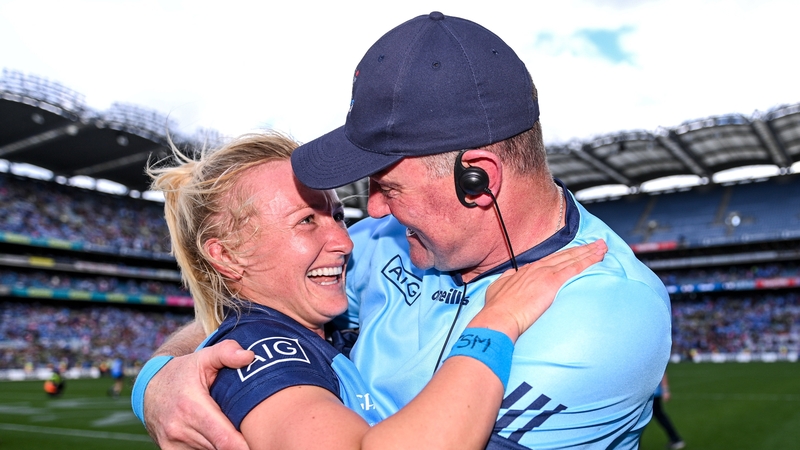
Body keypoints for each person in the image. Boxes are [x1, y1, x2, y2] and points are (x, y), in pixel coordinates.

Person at [134, 12, 672, 449]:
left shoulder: (603, 314)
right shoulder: (383, 243)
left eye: (388, 187)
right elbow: (256, 311)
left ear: (477, 178)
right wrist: (159, 379)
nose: (369, 216)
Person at [136, 131, 606, 449]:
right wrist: (497, 322)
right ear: (227, 255)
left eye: (337, 215)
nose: (343, 242)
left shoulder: (309, 328)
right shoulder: (261, 355)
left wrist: (154, 376)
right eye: (306, 222)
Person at [651, 372, 685, 449]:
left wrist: (665, 390)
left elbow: (662, 372)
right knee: (659, 416)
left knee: (639, 420)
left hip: (651, 394)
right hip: (647, 393)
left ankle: (676, 439)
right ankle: (675, 439)